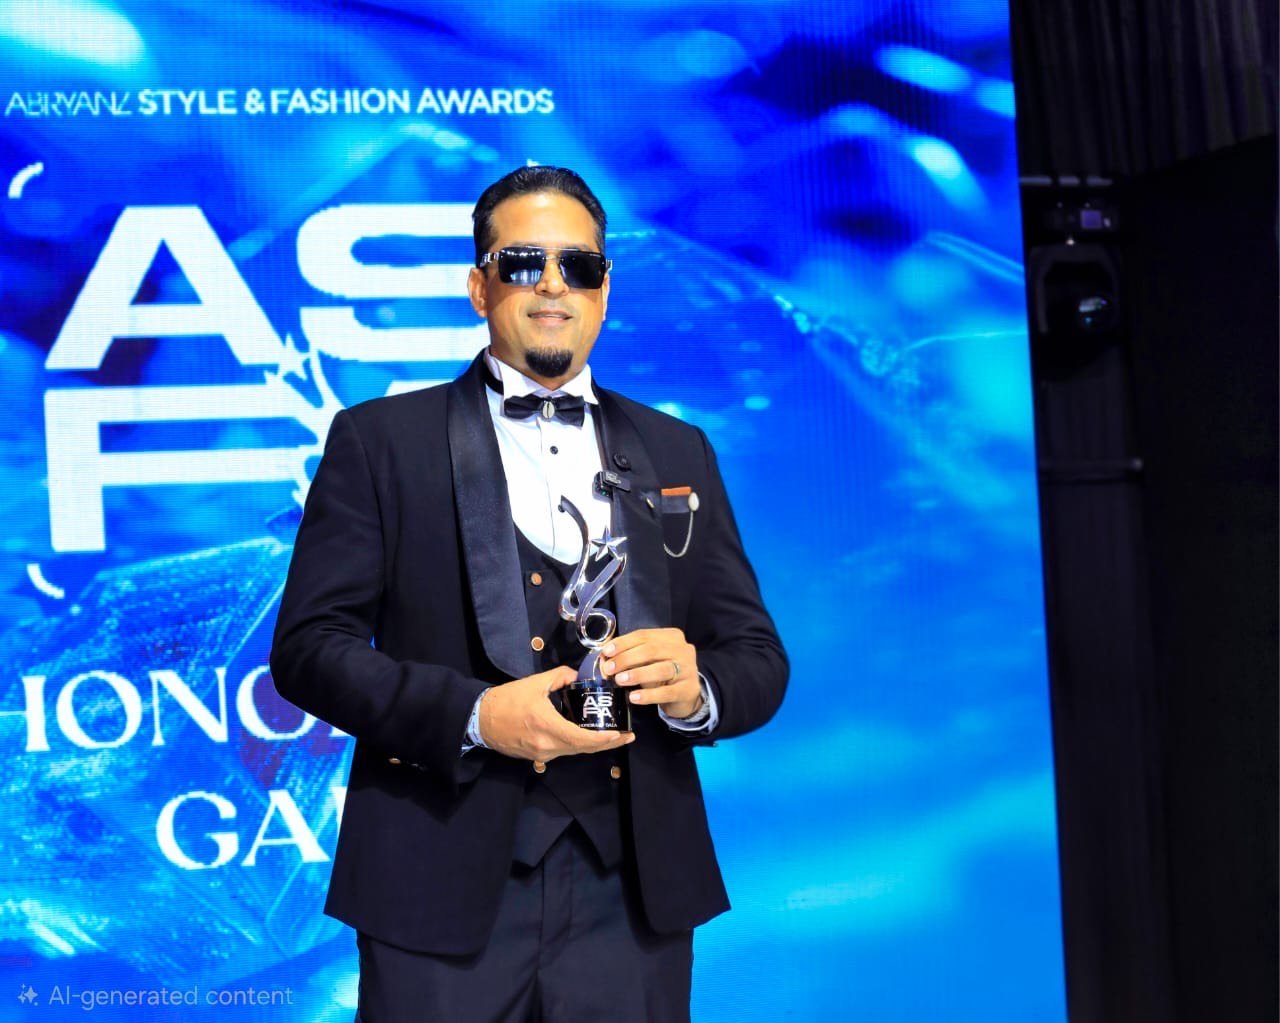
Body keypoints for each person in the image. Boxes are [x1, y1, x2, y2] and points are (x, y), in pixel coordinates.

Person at [270, 166, 788, 1022]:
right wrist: (477, 716)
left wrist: (696, 690)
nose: (553, 285)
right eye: (522, 262)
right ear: (479, 286)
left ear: (604, 291)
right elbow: (308, 649)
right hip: (435, 885)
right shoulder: (378, 441)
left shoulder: (679, 449)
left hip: (635, 896)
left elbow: (757, 659)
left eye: (579, 266)